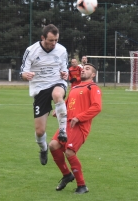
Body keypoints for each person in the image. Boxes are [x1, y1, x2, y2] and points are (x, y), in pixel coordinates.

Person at [19, 24, 69, 166]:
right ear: (43, 38)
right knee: (40, 131)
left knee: (57, 94)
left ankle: (63, 131)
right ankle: (43, 148)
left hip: (56, 83)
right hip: (39, 88)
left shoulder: (61, 50)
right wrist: (26, 75)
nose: (54, 44)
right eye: (51, 40)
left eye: (56, 40)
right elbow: (22, 72)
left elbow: (65, 71)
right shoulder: (31, 51)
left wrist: (65, 74)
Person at [49, 63, 102, 194]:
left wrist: (79, 117)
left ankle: (82, 186)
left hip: (79, 125)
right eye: (83, 68)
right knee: (53, 146)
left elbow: (97, 107)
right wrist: (58, 110)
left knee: (69, 152)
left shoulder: (93, 87)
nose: (84, 70)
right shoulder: (75, 87)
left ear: (93, 75)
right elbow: (67, 103)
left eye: (88, 69)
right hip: (66, 124)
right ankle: (67, 175)